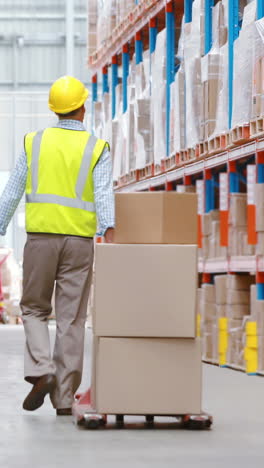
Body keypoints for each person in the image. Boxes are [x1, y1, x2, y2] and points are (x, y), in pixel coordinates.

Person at [0, 76, 115, 416]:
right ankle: (64, 399)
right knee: (71, 319)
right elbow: (105, 195)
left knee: (34, 309)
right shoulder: (97, 148)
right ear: (83, 107)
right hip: (79, 244)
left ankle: (41, 368)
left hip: (40, 241)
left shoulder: (33, 143)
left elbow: (12, 191)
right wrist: (109, 235)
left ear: (54, 109)